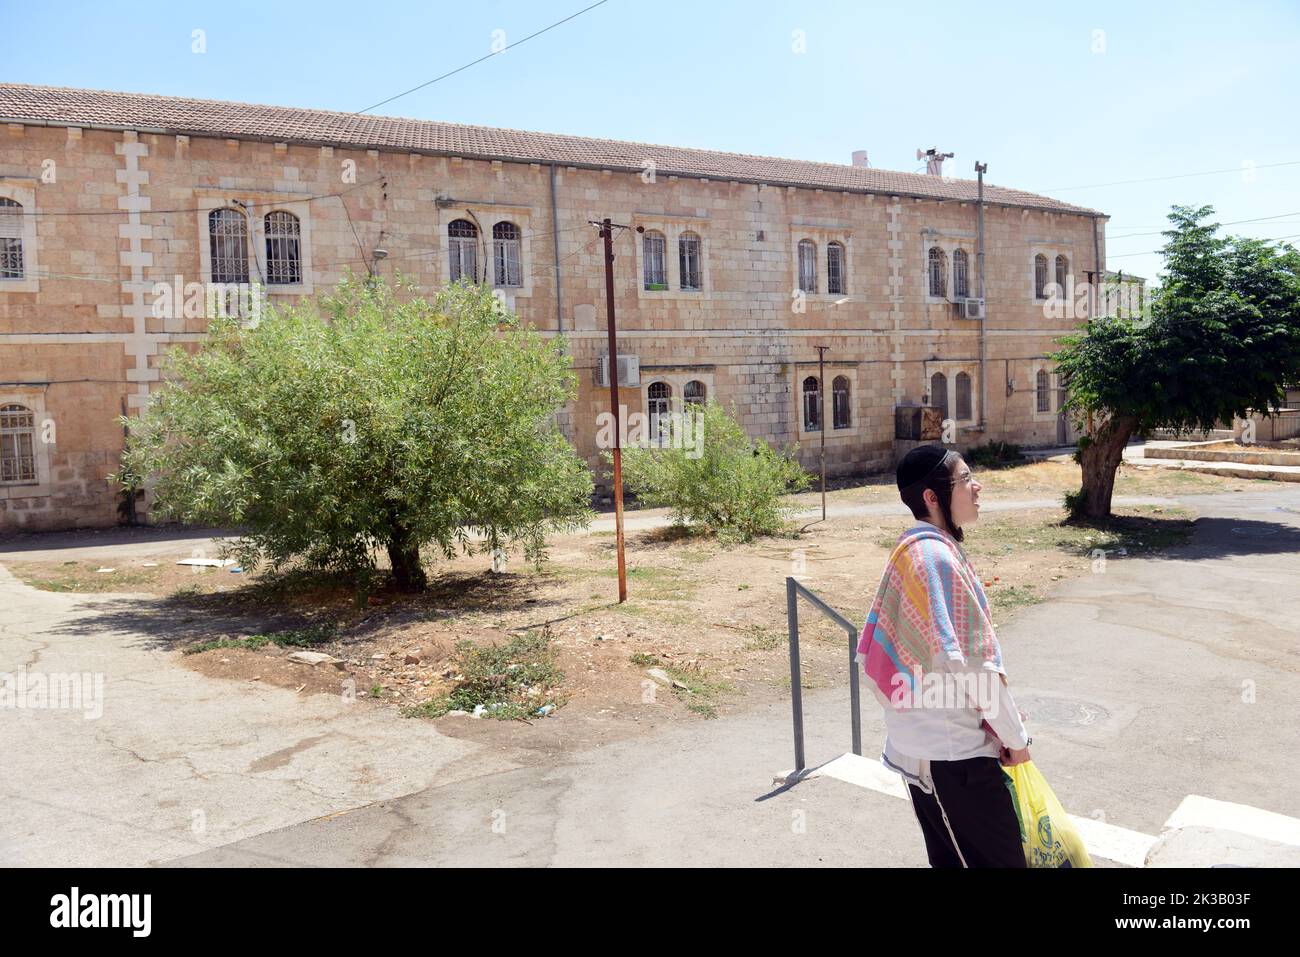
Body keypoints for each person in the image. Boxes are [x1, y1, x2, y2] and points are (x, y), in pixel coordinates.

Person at [857, 444, 1031, 868]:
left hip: (939, 754)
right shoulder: (933, 557)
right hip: (953, 761)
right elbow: (971, 666)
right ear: (932, 497)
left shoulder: (917, 548)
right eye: (965, 478)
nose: (977, 487)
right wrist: (1016, 739)